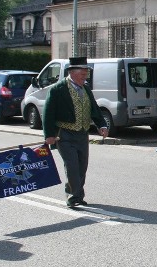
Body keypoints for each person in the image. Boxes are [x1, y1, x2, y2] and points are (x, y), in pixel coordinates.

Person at [42, 57, 108, 208]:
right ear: (72, 72)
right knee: (72, 166)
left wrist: (101, 125)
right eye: (82, 74)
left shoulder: (86, 89)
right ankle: (72, 196)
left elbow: (94, 109)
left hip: (82, 134)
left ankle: (78, 194)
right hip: (64, 134)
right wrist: (49, 135)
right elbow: (48, 113)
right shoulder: (57, 89)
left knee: (82, 166)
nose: (85, 77)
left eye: (86, 74)